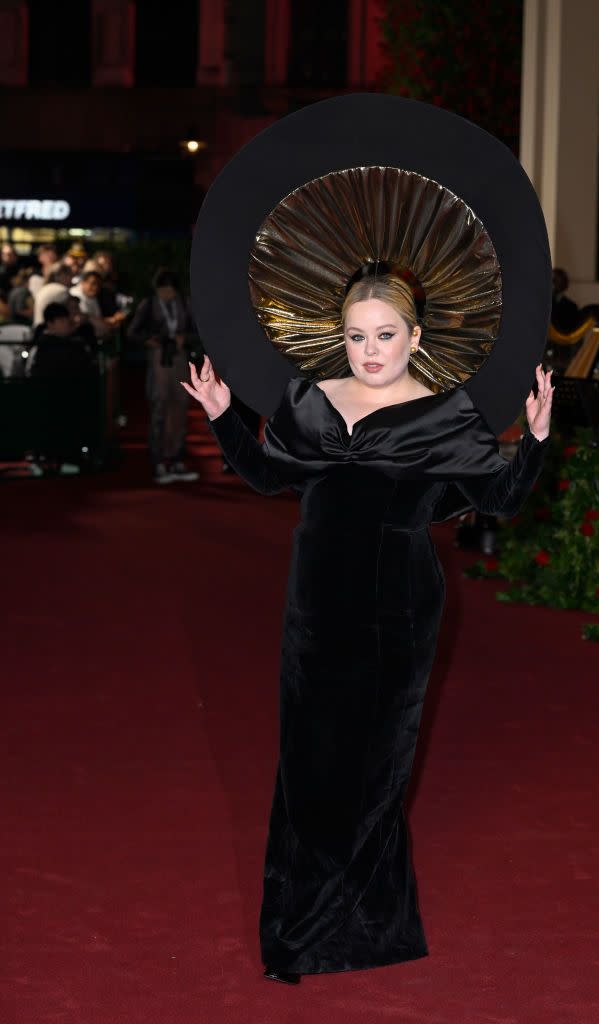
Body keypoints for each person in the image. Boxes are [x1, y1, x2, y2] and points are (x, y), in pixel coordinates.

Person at [182, 273, 553, 984]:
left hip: (396, 614)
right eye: (356, 336)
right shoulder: (310, 401)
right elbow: (266, 476)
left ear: (415, 337)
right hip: (314, 608)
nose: (369, 350)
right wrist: (225, 416)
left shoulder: (445, 415)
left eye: (385, 335)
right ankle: (298, 923)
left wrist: (532, 441)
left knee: (372, 769)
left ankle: (356, 928)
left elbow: (498, 500)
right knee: (307, 761)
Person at [128, 268, 198, 484]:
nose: (166, 294)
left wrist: (183, 338)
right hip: (158, 358)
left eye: (169, 290)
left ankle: (176, 458)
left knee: (180, 405)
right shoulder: (148, 304)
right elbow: (132, 332)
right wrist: (150, 340)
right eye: (162, 290)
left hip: (179, 358)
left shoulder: (185, 304)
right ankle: (158, 461)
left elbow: (199, 332)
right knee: (159, 406)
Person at [550, 267, 581, 333]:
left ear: (564, 283)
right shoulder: (543, 304)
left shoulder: (571, 307)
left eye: (556, 280)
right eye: (552, 280)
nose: (553, 284)